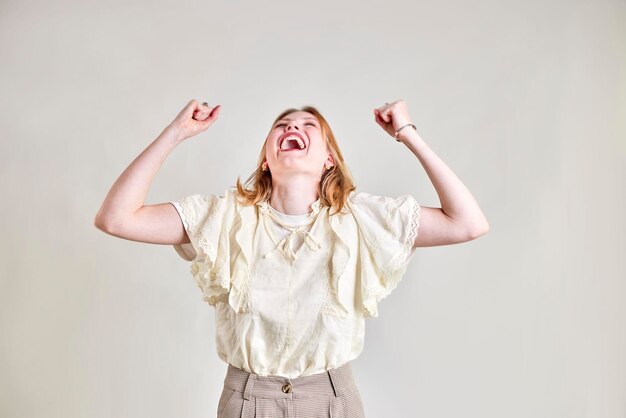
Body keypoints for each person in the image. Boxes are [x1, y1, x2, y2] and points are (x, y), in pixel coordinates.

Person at [94, 98, 489, 418]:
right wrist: (176, 132)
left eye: (307, 125)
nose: (292, 129)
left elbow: (467, 223)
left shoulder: (362, 219)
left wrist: (407, 134)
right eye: (281, 126)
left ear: (328, 160)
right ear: (266, 158)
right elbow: (116, 218)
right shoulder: (222, 218)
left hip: (333, 400)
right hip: (247, 399)